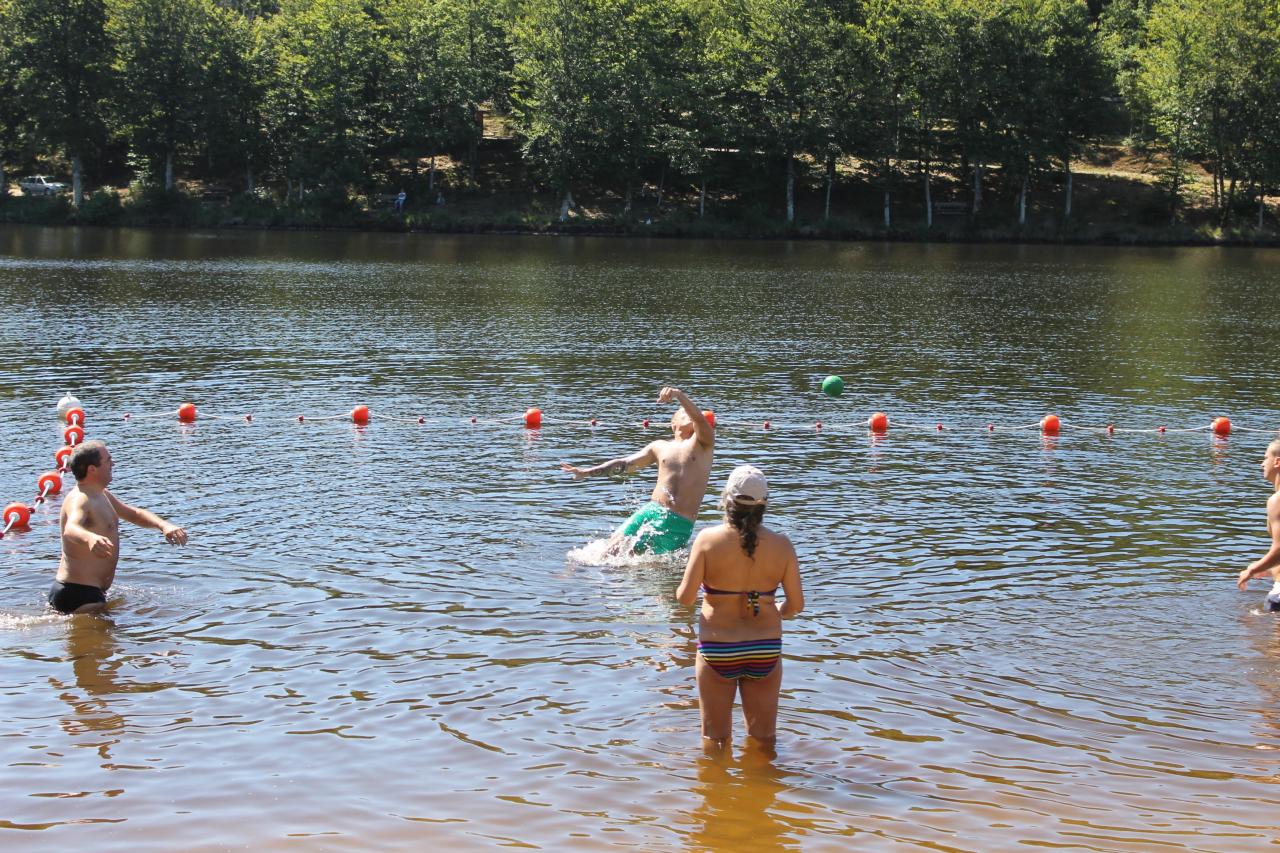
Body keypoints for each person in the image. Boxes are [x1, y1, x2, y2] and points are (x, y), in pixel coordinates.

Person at [676, 465, 803, 749]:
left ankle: (717, 790)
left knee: (715, 740)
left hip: (718, 649)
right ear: (764, 504)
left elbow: (684, 598)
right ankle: (765, 786)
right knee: (764, 741)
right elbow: (796, 605)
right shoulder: (782, 545)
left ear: (727, 500)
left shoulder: (708, 540)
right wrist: (773, 608)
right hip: (765, 649)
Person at [561, 386, 713, 556]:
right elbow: (626, 463)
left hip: (678, 521)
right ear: (673, 424)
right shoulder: (659, 447)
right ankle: (569, 575)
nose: (689, 414)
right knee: (607, 552)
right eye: (683, 412)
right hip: (651, 510)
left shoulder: (703, 444)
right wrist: (586, 472)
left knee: (639, 560)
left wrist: (678, 395)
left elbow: (699, 419)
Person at [48, 441, 187, 615]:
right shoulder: (81, 499)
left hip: (87, 592)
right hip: (78, 593)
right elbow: (71, 528)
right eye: (108, 460)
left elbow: (134, 514)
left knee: (109, 641)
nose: (112, 464)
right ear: (92, 469)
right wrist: (90, 538)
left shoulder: (101, 494)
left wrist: (163, 525)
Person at [1238, 437, 1280, 611]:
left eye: (1265, 458)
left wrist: (1252, 569)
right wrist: (1270, 569)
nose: (1262, 464)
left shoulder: (1276, 501)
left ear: (1277, 461)